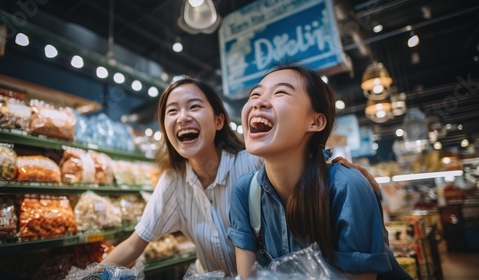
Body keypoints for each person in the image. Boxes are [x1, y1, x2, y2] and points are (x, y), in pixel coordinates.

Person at [100, 76, 381, 276]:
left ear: (219, 120)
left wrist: (335, 166)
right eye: (172, 111)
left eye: (194, 106)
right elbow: (135, 243)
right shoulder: (174, 182)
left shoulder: (251, 164)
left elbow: (293, 152)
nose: (182, 117)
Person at [228, 64, 411, 280]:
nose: (258, 102)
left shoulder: (347, 187)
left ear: (315, 121)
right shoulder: (244, 192)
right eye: (255, 94)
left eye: (280, 92)